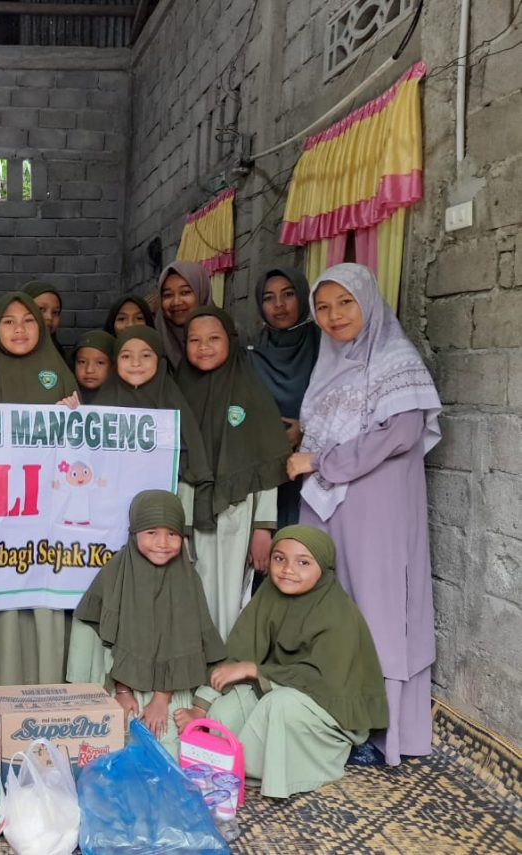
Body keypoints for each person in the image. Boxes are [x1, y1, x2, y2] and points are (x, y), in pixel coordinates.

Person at [287, 263, 441, 766]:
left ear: (369, 302)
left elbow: (400, 433)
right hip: (335, 506)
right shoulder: (329, 362)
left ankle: (384, 730)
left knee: (378, 608)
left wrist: (320, 461)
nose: (333, 316)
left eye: (345, 303)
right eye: (323, 307)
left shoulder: (395, 359)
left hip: (378, 507)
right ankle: (340, 722)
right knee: (336, 609)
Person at [176, 526, 388, 798]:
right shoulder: (269, 595)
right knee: (227, 708)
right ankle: (230, 767)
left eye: (303, 562)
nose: (288, 569)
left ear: (322, 567)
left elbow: (321, 680)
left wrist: (255, 670)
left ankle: (267, 774)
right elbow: (239, 650)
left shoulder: (337, 614)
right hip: (279, 686)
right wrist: (202, 704)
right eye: (279, 558)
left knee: (280, 704)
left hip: (327, 709)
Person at [0, 292, 79, 688]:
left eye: (28, 320)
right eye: (8, 321)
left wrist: (77, 416)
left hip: (45, 507)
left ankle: (44, 680)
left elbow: (79, 448)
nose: (19, 329)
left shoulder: (58, 374)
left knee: (40, 583)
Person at [68, 490, 224, 757]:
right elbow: (100, 635)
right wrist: (122, 690)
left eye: (172, 534)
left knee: (165, 752)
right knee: (116, 751)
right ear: (135, 533)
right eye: (151, 532)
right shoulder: (116, 572)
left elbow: (184, 642)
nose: (162, 543)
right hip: (121, 683)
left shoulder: (186, 579)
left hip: (172, 690)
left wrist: (161, 700)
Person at [175, 307, 290, 639]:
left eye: (214, 338)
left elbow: (264, 467)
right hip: (183, 515)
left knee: (227, 601)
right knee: (186, 596)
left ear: (231, 341)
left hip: (234, 516)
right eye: (194, 340)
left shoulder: (250, 393)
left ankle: (218, 676)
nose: (203, 347)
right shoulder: (175, 392)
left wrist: (263, 529)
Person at [93, 326, 212, 532]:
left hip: (162, 518)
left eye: (146, 355)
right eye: (126, 356)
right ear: (115, 362)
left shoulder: (173, 405)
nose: (136, 363)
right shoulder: (101, 406)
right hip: (108, 513)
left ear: (160, 360)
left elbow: (192, 464)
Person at [248, 268, 321, 529]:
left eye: (288, 294)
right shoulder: (250, 351)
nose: (278, 305)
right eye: (268, 298)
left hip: (315, 464)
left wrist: (306, 431)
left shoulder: (325, 345)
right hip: (264, 467)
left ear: (303, 296)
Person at [154, 261, 212, 370]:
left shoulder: (228, 336)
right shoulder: (151, 343)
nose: (176, 302)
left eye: (185, 292)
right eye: (168, 295)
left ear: (202, 293)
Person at [21, 280, 64, 354]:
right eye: (40, 309)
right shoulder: (4, 354)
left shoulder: (58, 354)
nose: (49, 317)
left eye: (55, 312)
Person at [72, 330, 114, 404]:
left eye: (100, 363)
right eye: (82, 362)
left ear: (113, 365)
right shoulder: (66, 394)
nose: (89, 370)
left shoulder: (122, 398)